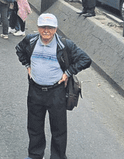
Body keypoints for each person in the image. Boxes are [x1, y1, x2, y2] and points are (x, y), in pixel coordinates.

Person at [15, 13, 92, 159]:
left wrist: (68, 72)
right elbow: (19, 50)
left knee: (58, 129)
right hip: (35, 90)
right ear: (38, 28)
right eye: (43, 27)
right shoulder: (30, 41)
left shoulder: (64, 45)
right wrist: (27, 65)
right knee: (34, 126)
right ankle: (35, 155)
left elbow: (85, 59)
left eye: (50, 28)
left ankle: (58, 156)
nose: (46, 31)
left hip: (56, 92)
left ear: (55, 29)